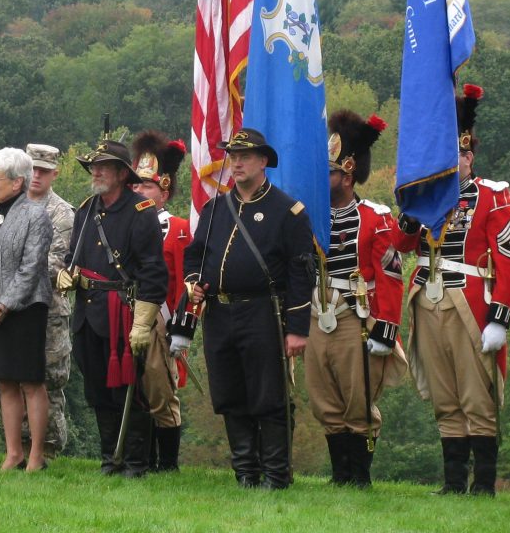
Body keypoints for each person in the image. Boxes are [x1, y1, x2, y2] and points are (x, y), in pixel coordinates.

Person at [394, 85, 510, 496]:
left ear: (469, 156)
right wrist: (410, 218)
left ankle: (483, 484)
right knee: (445, 396)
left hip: (469, 304)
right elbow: (400, 246)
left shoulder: (492, 195)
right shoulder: (427, 195)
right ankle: (453, 484)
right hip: (426, 299)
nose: (455, 161)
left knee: (475, 397)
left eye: (461, 155)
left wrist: (500, 316)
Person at [184, 128, 316, 489]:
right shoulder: (216, 208)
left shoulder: (288, 212)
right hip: (219, 313)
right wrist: (193, 282)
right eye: (232, 156)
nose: (236, 162)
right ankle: (245, 473)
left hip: (264, 314)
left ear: (263, 162)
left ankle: (275, 474)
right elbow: (195, 254)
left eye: (244, 157)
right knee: (230, 393)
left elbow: (302, 272)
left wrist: (297, 328)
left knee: (268, 395)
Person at [55, 140, 168, 477]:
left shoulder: (141, 212)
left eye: (104, 166)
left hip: (123, 312)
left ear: (121, 174)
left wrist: (142, 323)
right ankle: (110, 459)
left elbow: (153, 273)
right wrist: (67, 274)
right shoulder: (88, 208)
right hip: (88, 314)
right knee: (97, 390)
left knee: (127, 392)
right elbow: (74, 255)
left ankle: (135, 462)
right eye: (94, 166)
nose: (96, 171)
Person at [306, 111, 407, 488]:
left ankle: (359, 477)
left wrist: (386, 328)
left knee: (357, 401)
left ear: (347, 175)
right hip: (318, 312)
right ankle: (339, 476)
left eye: (329, 172)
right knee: (323, 398)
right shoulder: (310, 216)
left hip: (355, 315)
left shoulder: (376, 218)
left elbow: (391, 275)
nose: (322, 178)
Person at [0, 148, 53, 472]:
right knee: (4, 381)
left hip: (26, 309)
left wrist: (5, 305)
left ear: (17, 183)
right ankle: (13, 452)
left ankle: (35, 457)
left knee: (30, 381)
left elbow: (31, 269)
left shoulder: (36, 215)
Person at [129, 131, 188, 472]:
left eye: (147, 186)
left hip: (162, 322)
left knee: (160, 392)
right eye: (135, 184)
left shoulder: (178, 229)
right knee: (132, 390)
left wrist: (181, 329)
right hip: (126, 314)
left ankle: (167, 464)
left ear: (164, 190)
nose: (139, 190)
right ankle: (140, 458)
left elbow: (185, 285)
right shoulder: (124, 223)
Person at [24, 143, 74, 460]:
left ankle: (49, 448)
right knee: (16, 378)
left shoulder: (63, 213)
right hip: (15, 311)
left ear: (54, 173)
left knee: (49, 379)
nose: (36, 176)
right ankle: (19, 444)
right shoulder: (11, 205)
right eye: (32, 169)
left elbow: (53, 263)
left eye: (43, 171)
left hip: (49, 310)